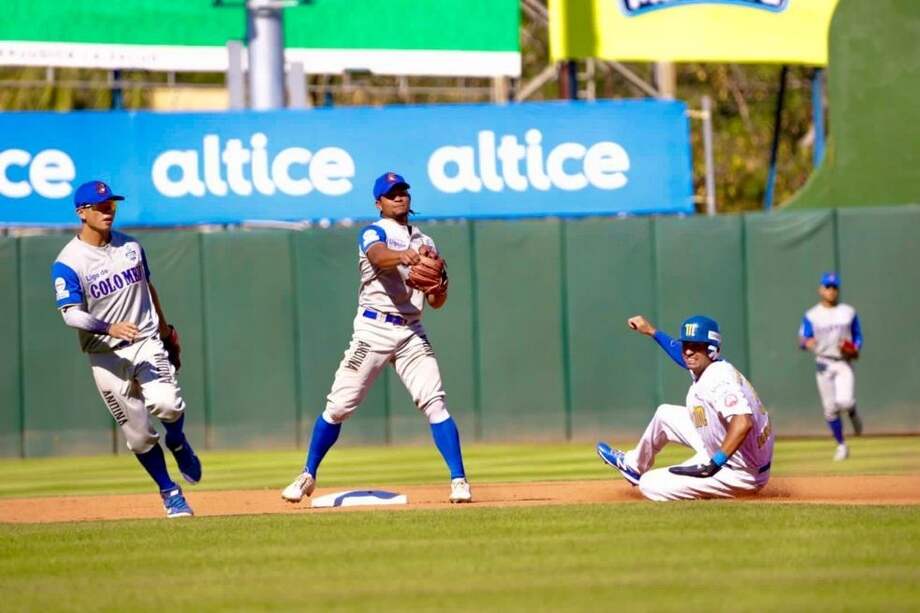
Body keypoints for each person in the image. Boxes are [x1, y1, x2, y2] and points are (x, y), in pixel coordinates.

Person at [282, 171, 472, 504]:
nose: (399, 197)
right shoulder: (373, 232)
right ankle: (307, 474)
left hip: (411, 330)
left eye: (403, 192)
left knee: (435, 402)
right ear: (379, 203)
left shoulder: (426, 241)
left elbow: (436, 302)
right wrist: (403, 257)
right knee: (338, 405)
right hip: (373, 330)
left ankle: (459, 480)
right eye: (392, 193)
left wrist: (439, 287)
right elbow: (378, 256)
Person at [51, 180, 201, 518]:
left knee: (168, 405)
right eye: (100, 206)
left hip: (145, 341)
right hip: (105, 354)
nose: (108, 210)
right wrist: (108, 327)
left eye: (111, 205)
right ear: (81, 212)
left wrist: (165, 331)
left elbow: (148, 289)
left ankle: (177, 442)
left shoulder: (131, 247)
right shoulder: (68, 262)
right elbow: (71, 314)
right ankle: (170, 492)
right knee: (138, 437)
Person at [596, 315, 774, 501]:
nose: (688, 351)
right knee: (665, 414)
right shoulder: (708, 365)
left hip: (739, 472)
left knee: (649, 485)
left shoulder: (720, 379)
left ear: (712, 349)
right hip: (735, 455)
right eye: (686, 345)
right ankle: (633, 465)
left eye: (696, 346)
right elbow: (679, 352)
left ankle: (708, 491)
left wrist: (714, 464)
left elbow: (743, 422)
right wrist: (651, 331)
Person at [798, 272, 863, 461]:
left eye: (834, 287)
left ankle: (852, 410)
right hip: (823, 362)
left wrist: (855, 348)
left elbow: (858, 335)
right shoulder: (812, 315)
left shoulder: (848, 312)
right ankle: (841, 445)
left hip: (843, 362)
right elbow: (803, 338)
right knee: (829, 408)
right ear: (820, 289)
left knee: (845, 401)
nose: (831, 290)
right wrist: (807, 343)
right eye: (828, 286)